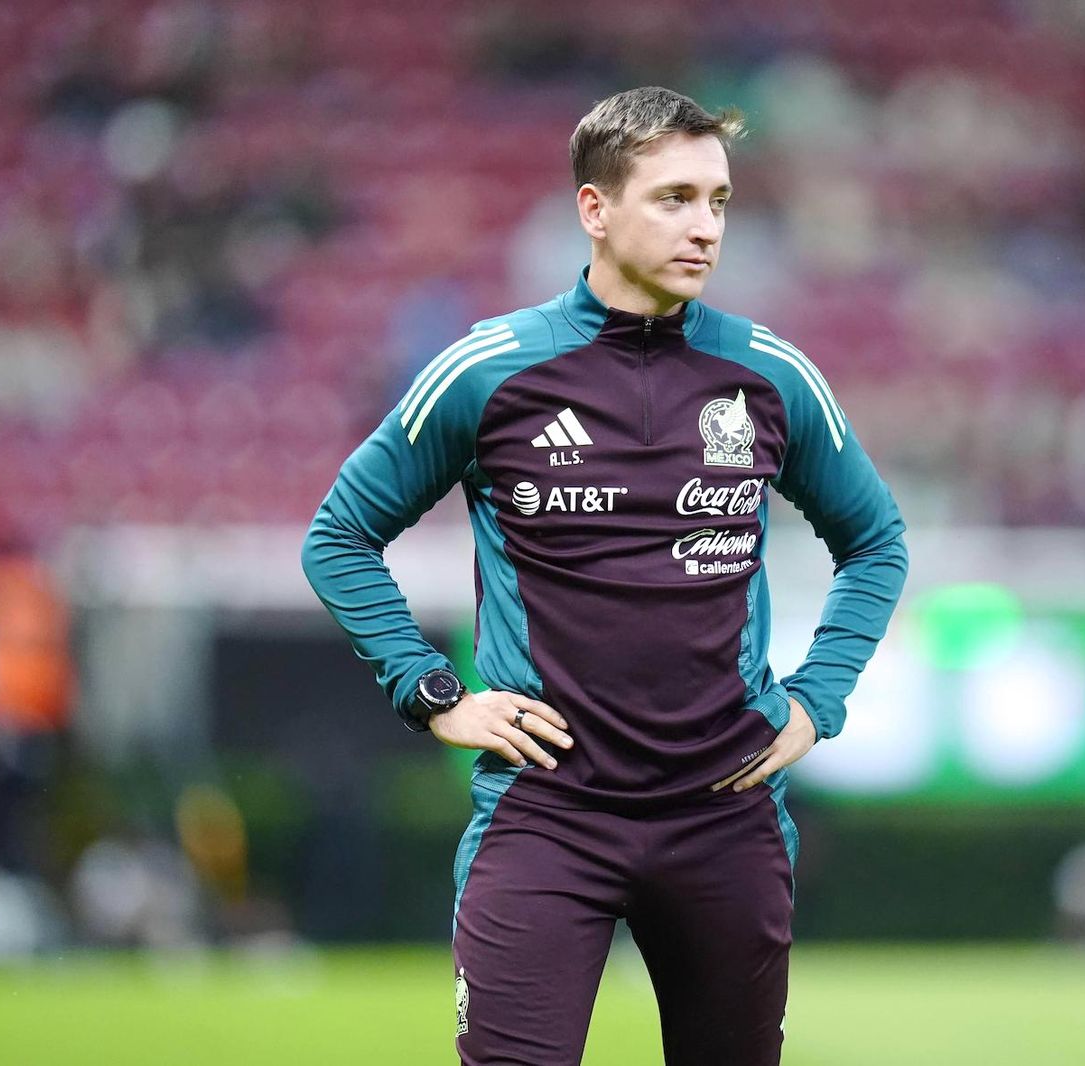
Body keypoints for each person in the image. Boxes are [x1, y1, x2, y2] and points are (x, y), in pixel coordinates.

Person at [302, 86, 908, 1065]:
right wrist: (431, 692)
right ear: (595, 209)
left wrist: (816, 701)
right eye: (674, 198)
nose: (705, 227)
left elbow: (876, 541)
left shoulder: (771, 375)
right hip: (547, 813)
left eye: (717, 201)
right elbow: (338, 538)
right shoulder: (488, 370)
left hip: (725, 810)